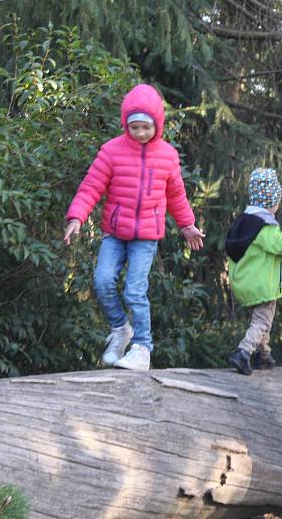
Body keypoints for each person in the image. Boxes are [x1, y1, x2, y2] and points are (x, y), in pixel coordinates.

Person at [63, 83, 204, 372]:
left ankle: (142, 348)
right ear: (126, 125)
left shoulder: (167, 155)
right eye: (135, 127)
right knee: (103, 281)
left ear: (158, 124)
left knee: (135, 291)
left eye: (146, 127)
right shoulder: (111, 151)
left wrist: (187, 225)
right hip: (115, 234)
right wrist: (76, 217)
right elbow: (91, 187)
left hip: (146, 238)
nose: (140, 133)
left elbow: (176, 195)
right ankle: (120, 330)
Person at [225, 167, 282, 375]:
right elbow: (281, 246)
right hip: (264, 285)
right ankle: (244, 352)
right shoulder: (264, 227)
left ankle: (264, 355)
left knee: (261, 320)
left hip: (248, 283)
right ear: (272, 201)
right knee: (263, 320)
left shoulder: (244, 221)